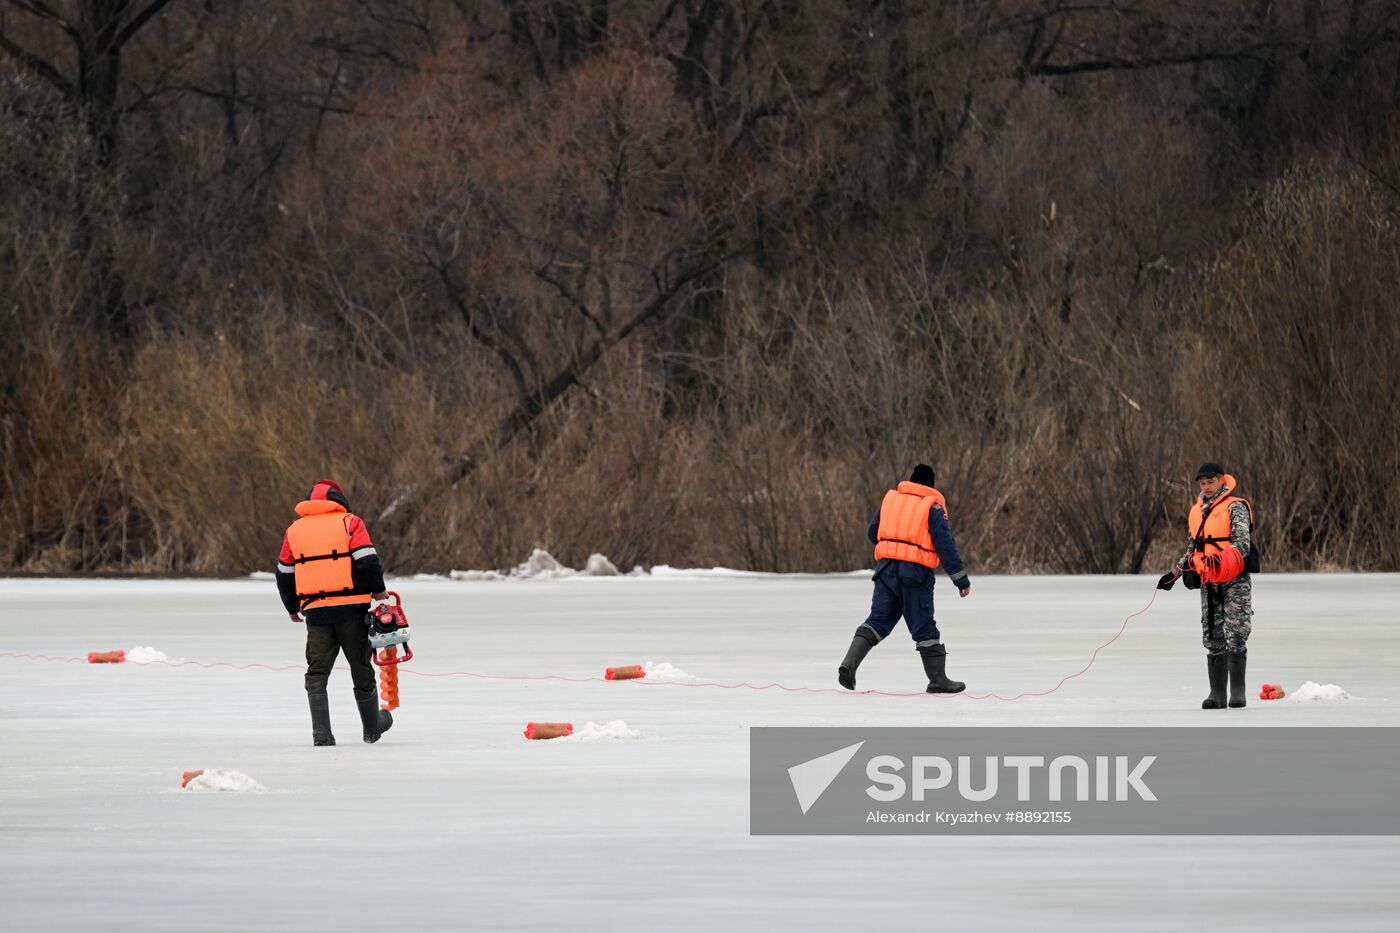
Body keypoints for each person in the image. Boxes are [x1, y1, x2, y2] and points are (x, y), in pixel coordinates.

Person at [275, 479, 394, 745]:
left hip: (316, 612)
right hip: (352, 609)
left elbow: (284, 574)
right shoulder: (350, 522)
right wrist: (379, 590)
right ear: (338, 502)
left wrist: (292, 607)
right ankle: (373, 728)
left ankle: (322, 735)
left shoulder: (294, 530)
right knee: (361, 667)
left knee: (317, 671)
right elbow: (368, 560)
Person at [838, 464, 972, 693]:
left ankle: (848, 665)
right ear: (930, 485)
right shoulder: (933, 507)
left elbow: (872, 533)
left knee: (877, 621)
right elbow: (945, 546)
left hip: (886, 571)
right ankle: (938, 680)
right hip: (915, 576)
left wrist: (894, 547)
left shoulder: (890, 501)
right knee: (924, 628)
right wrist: (961, 580)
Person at [1157, 463, 1257, 709]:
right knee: (1212, 635)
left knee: (1236, 633)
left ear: (1222, 481)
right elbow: (1193, 548)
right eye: (1202, 483)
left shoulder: (1235, 507)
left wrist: (1221, 560)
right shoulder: (1198, 512)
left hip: (1235, 580)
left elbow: (1242, 544)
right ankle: (1216, 695)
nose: (1206, 487)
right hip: (1208, 579)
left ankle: (1237, 693)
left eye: (1210, 482)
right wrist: (1176, 572)